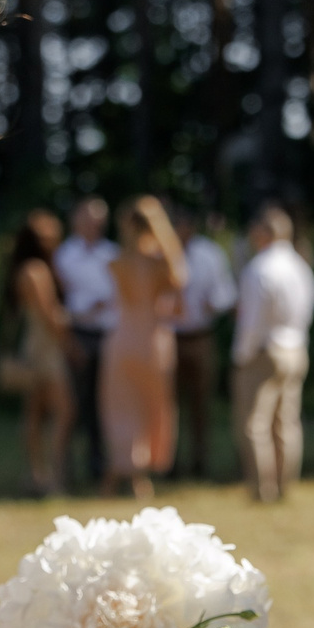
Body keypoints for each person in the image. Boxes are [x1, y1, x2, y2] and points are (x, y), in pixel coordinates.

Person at [101, 196, 186, 499]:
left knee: (121, 407)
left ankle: (122, 470)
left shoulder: (117, 261)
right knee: (152, 407)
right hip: (153, 341)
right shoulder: (162, 265)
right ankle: (138, 474)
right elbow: (180, 303)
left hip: (122, 340)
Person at [232, 204, 314, 502]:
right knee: (287, 423)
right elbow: (306, 312)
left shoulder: (260, 268)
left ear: (261, 232)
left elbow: (251, 322)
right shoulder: (300, 266)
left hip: (266, 351)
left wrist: (241, 356)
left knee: (254, 425)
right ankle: (284, 485)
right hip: (295, 348)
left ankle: (261, 489)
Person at [2, 210, 74, 495]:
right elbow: (49, 316)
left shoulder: (22, 269)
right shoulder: (37, 271)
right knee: (63, 412)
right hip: (44, 349)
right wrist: (72, 339)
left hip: (32, 346)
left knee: (34, 413)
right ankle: (52, 476)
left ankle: (36, 475)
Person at [171, 205, 239, 481]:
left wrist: (215, 304)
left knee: (201, 403)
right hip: (169, 338)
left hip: (200, 337)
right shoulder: (158, 252)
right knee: (169, 405)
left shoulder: (209, 254)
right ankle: (169, 462)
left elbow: (226, 293)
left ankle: (200, 460)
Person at [57, 196, 120, 482]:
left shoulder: (113, 254)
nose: (93, 224)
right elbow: (58, 300)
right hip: (77, 334)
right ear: (75, 220)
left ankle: (98, 465)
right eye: (87, 218)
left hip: (108, 335)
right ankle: (64, 467)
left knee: (103, 405)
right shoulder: (63, 255)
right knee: (72, 404)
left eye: (97, 219)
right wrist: (84, 310)